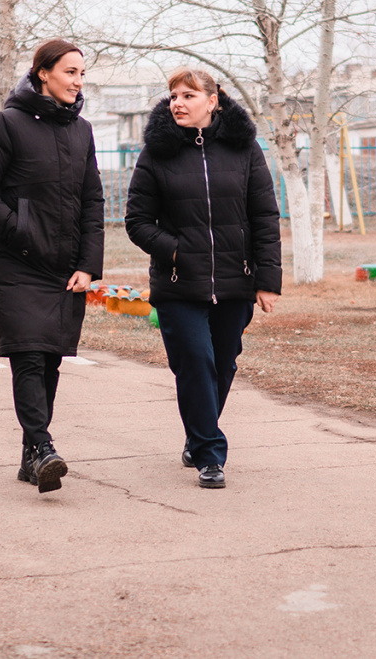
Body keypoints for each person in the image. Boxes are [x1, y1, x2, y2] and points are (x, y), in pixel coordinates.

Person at [125, 67, 281, 489]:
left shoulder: (245, 150)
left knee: (222, 364)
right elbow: (137, 221)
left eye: (188, 95)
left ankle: (197, 437)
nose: (178, 102)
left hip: (235, 280)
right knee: (195, 362)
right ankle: (210, 454)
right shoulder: (157, 153)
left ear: (213, 101)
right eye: (173, 95)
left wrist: (267, 279)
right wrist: (177, 250)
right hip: (179, 284)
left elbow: (264, 216)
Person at [0, 39, 104, 494]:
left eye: (82, 73)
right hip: (15, 263)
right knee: (27, 353)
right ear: (43, 73)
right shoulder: (5, 125)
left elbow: (92, 201)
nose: (78, 81)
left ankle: (30, 459)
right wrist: (19, 229)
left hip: (64, 269)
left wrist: (88, 264)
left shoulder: (82, 131)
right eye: (70, 72)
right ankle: (43, 447)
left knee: (48, 361)